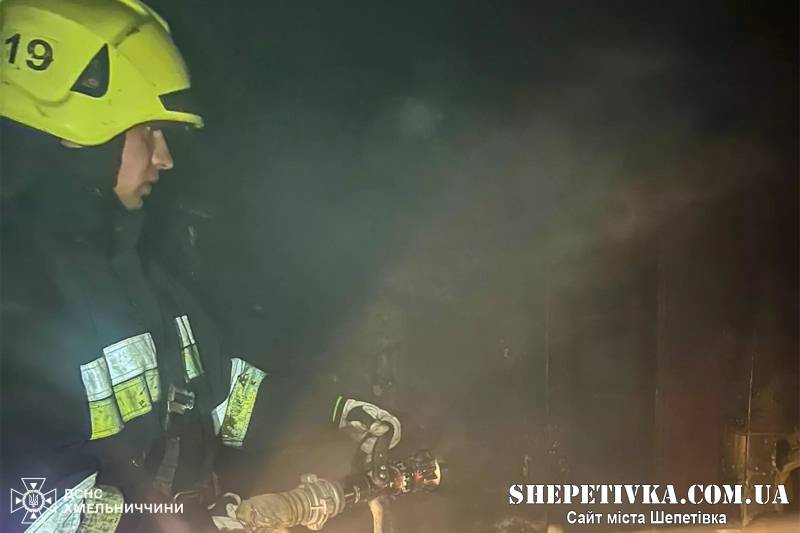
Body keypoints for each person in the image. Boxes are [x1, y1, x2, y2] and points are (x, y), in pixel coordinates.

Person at [0, 1, 400, 531]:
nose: (164, 158)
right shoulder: (19, 295)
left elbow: (213, 392)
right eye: (148, 131)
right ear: (77, 133)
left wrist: (335, 416)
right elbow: (28, 509)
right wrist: (191, 523)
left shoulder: (131, 272)